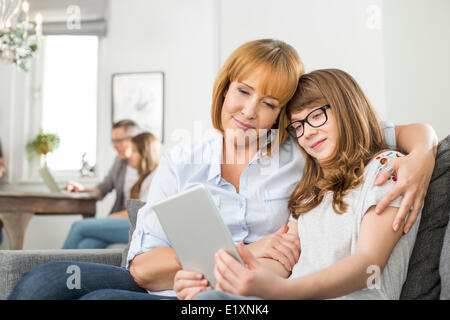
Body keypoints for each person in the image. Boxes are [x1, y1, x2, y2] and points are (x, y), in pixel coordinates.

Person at [8, 39, 437, 300]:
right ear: (225, 88)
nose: (250, 112)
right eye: (243, 92)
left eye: (269, 104)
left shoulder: (302, 143)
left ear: (280, 114)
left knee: (100, 298)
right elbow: (140, 267)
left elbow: (388, 129)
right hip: (169, 282)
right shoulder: (183, 160)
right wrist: (234, 254)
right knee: (43, 282)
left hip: (229, 292)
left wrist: (421, 159)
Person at [193, 69, 424, 300]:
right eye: (298, 126)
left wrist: (280, 290)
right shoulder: (309, 193)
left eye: (315, 116)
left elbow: (368, 266)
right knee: (207, 298)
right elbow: (283, 264)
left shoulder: (387, 170)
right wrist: (230, 278)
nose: (308, 134)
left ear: (347, 108)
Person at [62, 132, 161, 249]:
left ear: (145, 154)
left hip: (142, 226)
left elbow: (140, 212)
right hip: (134, 223)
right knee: (88, 244)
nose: (130, 156)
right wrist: (82, 190)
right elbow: (104, 187)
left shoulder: (156, 177)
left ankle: (53, 266)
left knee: (78, 226)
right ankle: (69, 267)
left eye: (134, 151)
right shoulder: (143, 176)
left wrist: (114, 216)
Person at [65, 119, 141, 215]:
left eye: (118, 141)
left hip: (135, 221)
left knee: (81, 227)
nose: (114, 146)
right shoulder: (120, 161)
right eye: (113, 141)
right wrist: (82, 190)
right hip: (118, 217)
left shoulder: (151, 167)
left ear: (134, 140)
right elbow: (104, 187)